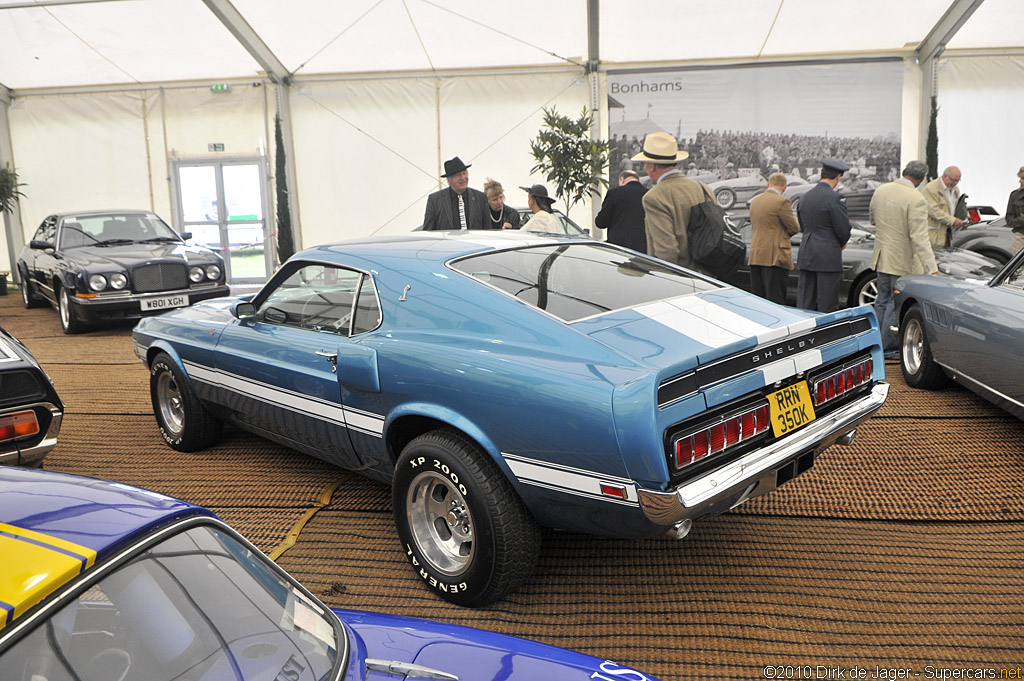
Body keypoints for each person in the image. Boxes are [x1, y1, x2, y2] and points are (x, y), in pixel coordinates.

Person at [869, 160, 939, 356]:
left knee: (881, 301)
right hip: (902, 261)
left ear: (904, 172)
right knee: (894, 304)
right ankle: (888, 348)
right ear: (922, 178)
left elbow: (872, 220)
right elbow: (919, 237)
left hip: (882, 256)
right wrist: (931, 267)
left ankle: (874, 343)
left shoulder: (880, 190)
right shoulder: (916, 198)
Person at [631, 132, 709, 273]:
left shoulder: (654, 197)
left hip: (680, 280)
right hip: (708, 277)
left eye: (645, 164)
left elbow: (667, 252)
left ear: (652, 166)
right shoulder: (702, 187)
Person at [796, 158, 853, 313]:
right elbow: (843, 228)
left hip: (807, 252)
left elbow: (803, 226)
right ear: (838, 177)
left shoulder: (805, 196)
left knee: (805, 302)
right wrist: (842, 242)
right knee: (827, 304)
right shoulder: (835, 198)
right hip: (828, 255)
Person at [748, 172, 800, 305]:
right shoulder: (782, 202)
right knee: (775, 299)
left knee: (758, 298)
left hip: (756, 254)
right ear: (784, 188)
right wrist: (781, 236)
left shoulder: (755, 201)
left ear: (768, 185)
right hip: (775, 256)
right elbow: (794, 227)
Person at [422, 156, 488, 230]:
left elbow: (488, 230)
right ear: (449, 180)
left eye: (464, 173)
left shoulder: (481, 198)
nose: (463, 178)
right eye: (458, 175)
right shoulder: (435, 200)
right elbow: (428, 231)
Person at [595, 169, 648, 253]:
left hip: (619, 249)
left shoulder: (614, 193)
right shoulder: (648, 194)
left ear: (622, 179)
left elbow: (601, 222)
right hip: (643, 249)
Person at [920, 165, 964, 247]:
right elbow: (934, 211)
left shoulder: (955, 189)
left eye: (958, 180)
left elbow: (957, 207)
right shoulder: (930, 189)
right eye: (953, 180)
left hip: (948, 234)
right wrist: (953, 221)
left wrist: (964, 217)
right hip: (934, 235)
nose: (955, 183)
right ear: (945, 176)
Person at [1005, 165, 1024, 255]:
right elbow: (1009, 220)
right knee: (1020, 267)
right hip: (1020, 236)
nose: (1020, 181)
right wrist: (1022, 219)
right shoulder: (1014, 195)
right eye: (1020, 178)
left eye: (1023, 178)